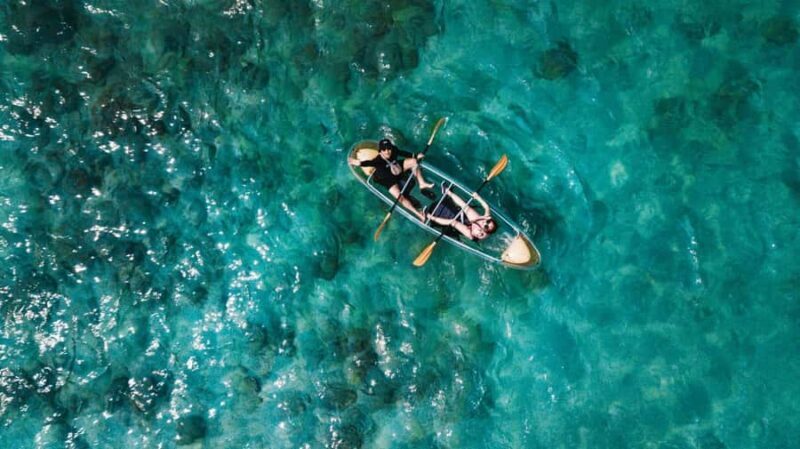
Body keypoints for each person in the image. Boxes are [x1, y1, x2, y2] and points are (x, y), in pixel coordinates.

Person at [349, 138, 434, 221]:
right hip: (387, 179)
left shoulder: (393, 150)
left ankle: (422, 184)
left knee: (414, 161)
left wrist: (416, 155)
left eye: (388, 148)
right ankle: (419, 215)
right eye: (384, 149)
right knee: (400, 198)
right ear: (380, 151)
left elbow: (402, 153)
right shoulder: (378, 160)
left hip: (396, 168)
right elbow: (368, 163)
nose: (387, 151)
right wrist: (359, 163)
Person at [425, 182, 498, 241]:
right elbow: (486, 207)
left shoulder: (474, 234)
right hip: (446, 207)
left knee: (453, 222)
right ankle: (447, 192)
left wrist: (430, 217)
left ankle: (429, 217)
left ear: (485, 231)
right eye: (488, 221)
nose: (485, 223)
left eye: (486, 226)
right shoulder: (485, 219)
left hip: (438, 216)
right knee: (466, 207)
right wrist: (478, 197)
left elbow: (453, 222)